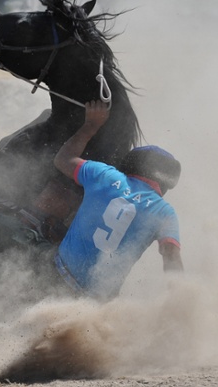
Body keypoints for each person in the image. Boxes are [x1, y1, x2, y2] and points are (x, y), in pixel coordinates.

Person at [52, 100, 183, 301]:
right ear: (165, 184)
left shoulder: (104, 174)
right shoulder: (165, 213)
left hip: (56, 277)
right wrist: (182, 301)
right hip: (93, 302)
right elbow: (171, 258)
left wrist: (91, 125)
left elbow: (63, 159)